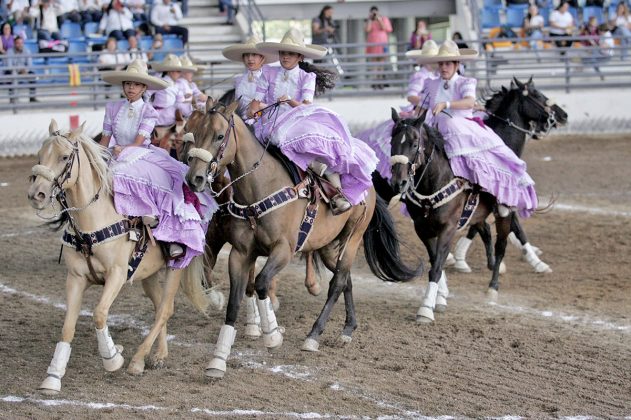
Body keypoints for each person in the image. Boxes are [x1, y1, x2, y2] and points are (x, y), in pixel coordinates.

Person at [99, 59, 217, 265]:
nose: (131, 88)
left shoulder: (148, 110)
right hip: (115, 152)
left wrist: (121, 150)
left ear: (144, 87)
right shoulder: (112, 107)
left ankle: (165, 229)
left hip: (139, 153)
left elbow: (137, 143)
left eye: (135, 84)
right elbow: (105, 138)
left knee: (169, 181)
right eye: (127, 84)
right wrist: (98, 156)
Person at [249, 28, 378, 214]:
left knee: (306, 141)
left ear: (300, 57)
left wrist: (289, 101)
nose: (285, 57)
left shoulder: (307, 77)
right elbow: (255, 104)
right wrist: (255, 109)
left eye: (290, 54)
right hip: (269, 121)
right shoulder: (268, 73)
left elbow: (305, 106)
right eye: (283, 53)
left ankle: (335, 191)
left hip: (297, 119)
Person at [414, 40, 538, 218]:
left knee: (490, 154)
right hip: (437, 127)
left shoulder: (465, 82)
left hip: (461, 126)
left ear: (457, 64)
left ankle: (495, 195)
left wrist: (447, 104)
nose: (443, 67)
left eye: (448, 63)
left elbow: (469, 101)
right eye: (441, 63)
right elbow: (423, 106)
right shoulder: (431, 84)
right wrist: (413, 117)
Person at [356, 40, 439, 182]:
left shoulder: (437, 76)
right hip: (422, 112)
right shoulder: (420, 75)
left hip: (434, 112)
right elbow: (412, 96)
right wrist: (429, 103)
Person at [221, 34, 277, 119]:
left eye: (254, 55)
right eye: (247, 55)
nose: (250, 59)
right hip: (241, 122)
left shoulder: (271, 78)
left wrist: (258, 110)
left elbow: (275, 108)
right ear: (243, 58)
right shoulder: (239, 80)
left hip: (264, 121)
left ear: (262, 58)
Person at [148, 53, 186, 152]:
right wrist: (148, 108)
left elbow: (180, 102)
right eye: (178, 71)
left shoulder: (176, 85)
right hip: (160, 115)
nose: (180, 73)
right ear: (171, 71)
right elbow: (146, 94)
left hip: (170, 114)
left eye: (180, 71)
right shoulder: (160, 81)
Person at [364, 5, 392, 89]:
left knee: (381, 64)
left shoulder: (384, 19)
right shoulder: (369, 20)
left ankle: (380, 81)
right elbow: (367, 30)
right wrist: (370, 19)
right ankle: (375, 81)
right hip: (373, 44)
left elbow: (386, 28)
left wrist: (379, 19)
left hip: (382, 43)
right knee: (374, 64)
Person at [4, 35, 38, 103]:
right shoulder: (9, 51)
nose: (19, 45)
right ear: (14, 44)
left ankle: (32, 97)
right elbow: (9, 65)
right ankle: (12, 98)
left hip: (24, 71)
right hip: (13, 71)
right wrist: (19, 70)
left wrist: (25, 70)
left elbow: (30, 64)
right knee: (9, 74)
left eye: (21, 43)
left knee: (32, 75)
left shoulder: (27, 51)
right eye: (18, 43)